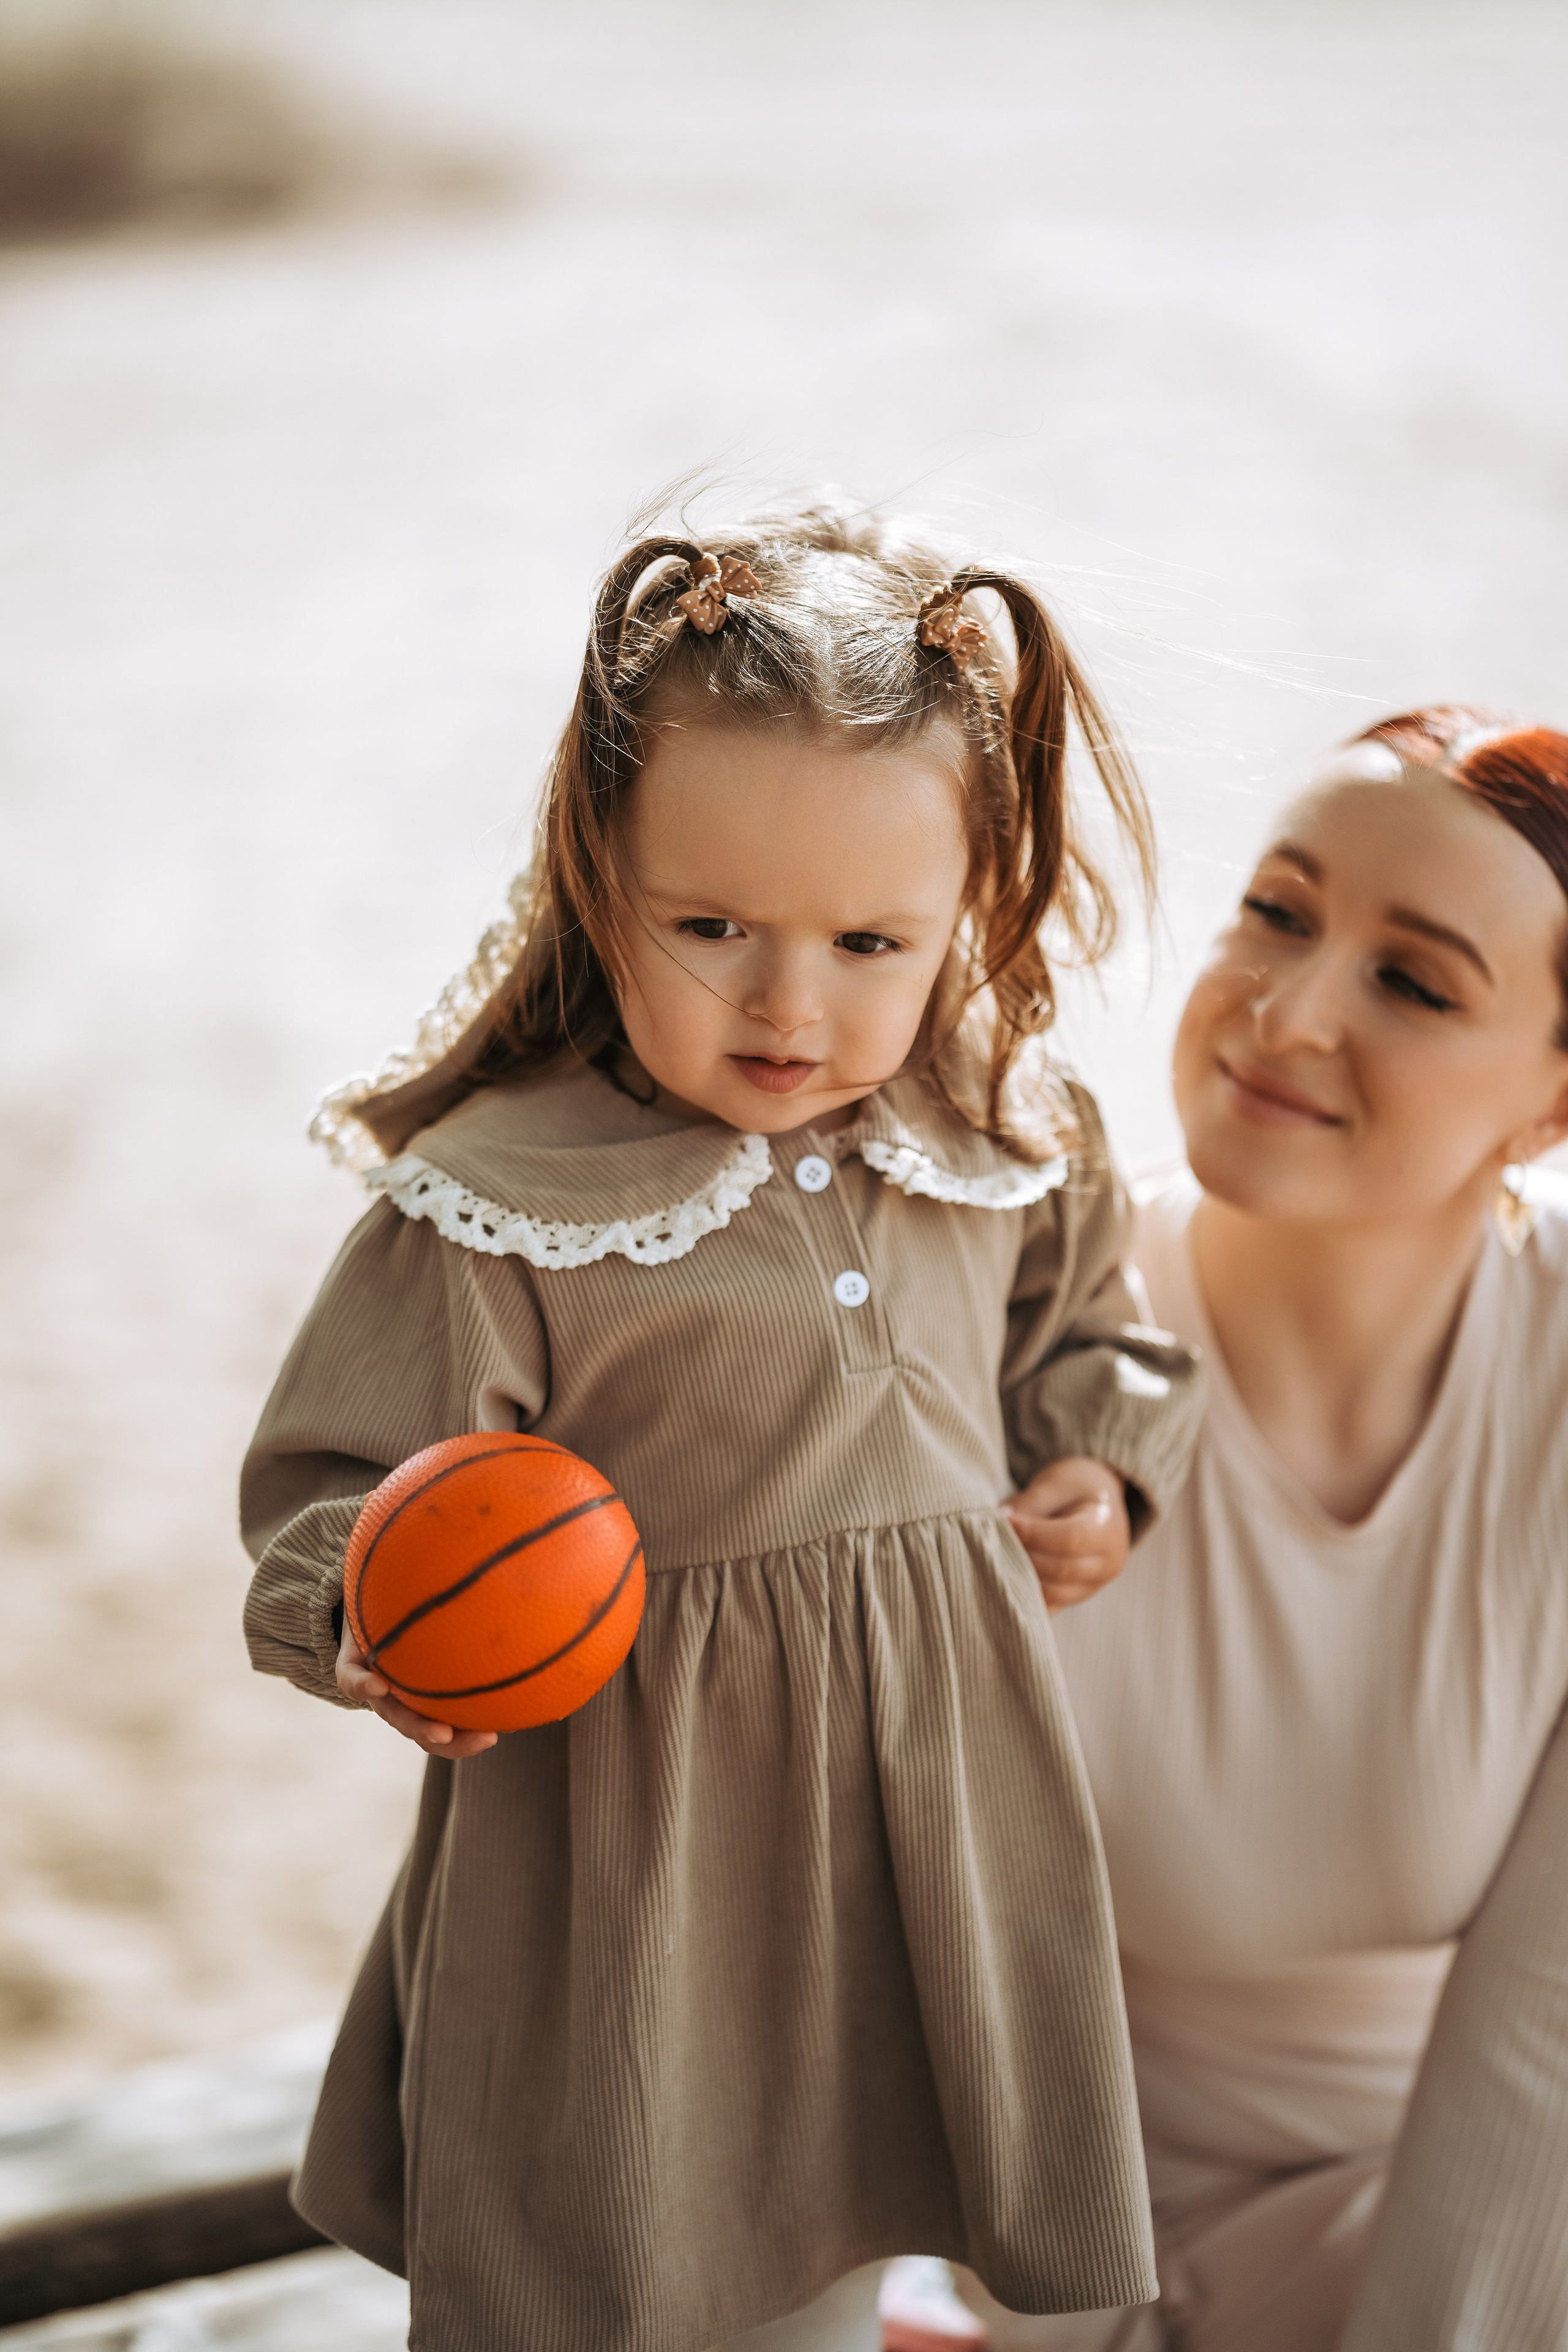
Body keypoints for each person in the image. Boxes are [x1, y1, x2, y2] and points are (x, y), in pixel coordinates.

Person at [239, 504, 1205, 2352]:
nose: (791, 1001)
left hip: (923, 1837)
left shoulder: (997, 1136)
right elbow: (327, 1493)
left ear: (970, 908)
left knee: (836, 2260)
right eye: (713, 928)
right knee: (607, 2265)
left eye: (869, 940)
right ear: (599, 873)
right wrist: (362, 1609)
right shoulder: (498, 1202)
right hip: (628, 1861)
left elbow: (1091, 1329)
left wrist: (1098, 1460)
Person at [948, 709, 1568, 2351]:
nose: (1287, 1015)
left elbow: (1547, 2055)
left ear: (1553, 1102)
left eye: (1416, 982)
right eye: (1279, 913)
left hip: (1467, 2220)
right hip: (1065, 2235)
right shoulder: (1009, 1336)